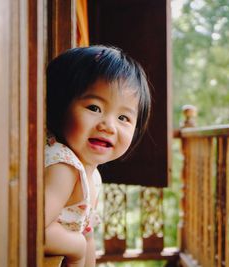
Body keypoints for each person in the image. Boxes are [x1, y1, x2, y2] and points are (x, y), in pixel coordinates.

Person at [44, 45, 151, 267]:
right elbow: (27, 229)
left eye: (123, 117)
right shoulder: (63, 167)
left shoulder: (91, 175)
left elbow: (87, 234)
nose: (109, 126)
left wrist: (83, 246)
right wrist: (76, 247)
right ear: (59, 106)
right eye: (94, 108)